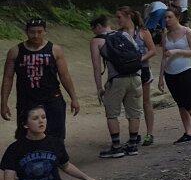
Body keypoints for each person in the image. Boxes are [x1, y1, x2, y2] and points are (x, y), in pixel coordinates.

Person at [1, 19, 80, 141]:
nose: (36, 35)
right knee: (25, 136)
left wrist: (74, 98)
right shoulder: (15, 51)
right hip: (27, 100)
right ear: (26, 32)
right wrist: (4, 102)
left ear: (45, 32)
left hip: (52, 99)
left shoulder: (55, 50)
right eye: (32, 32)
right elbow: (8, 78)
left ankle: (58, 159)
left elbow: (65, 76)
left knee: (55, 135)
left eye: (39, 32)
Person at [89, 15, 143, 159]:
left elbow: (96, 67)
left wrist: (100, 88)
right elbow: (138, 54)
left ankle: (117, 147)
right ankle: (132, 145)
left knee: (112, 114)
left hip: (116, 80)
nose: (93, 32)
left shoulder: (97, 41)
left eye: (93, 29)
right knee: (134, 113)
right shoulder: (124, 34)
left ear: (99, 26)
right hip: (135, 77)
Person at [158, 9, 191, 145]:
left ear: (177, 17)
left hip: (185, 70)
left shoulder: (187, 32)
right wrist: (161, 77)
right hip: (170, 73)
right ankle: (188, 132)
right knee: (180, 103)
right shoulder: (165, 35)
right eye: (165, 18)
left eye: (169, 17)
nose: (166, 20)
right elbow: (164, 56)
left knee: (188, 102)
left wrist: (178, 51)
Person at [123, 8, 158, 146]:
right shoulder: (120, 33)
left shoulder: (143, 32)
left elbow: (153, 50)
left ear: (129, 17)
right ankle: (135, 133)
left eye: (120, 17)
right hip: (128, 71)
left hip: (142, 69)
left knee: (146, 101)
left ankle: (149, 134)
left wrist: (139, 59)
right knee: (130, 103)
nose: (118, 20)